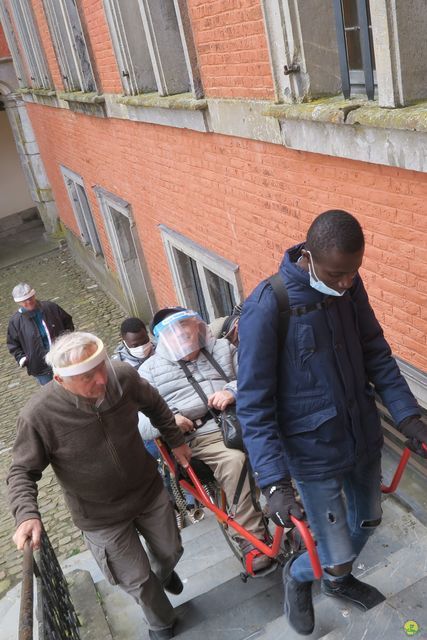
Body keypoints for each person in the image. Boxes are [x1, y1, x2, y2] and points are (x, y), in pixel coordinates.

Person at [237, 210, 427, 635]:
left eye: (354, 272)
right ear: (309, 256)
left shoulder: (349, 287)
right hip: (312, 452)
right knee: (336, 548)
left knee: (368, 522)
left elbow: (376, 352)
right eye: (338, 273)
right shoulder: (268, 306)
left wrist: (410, 417)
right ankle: (301, 575)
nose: (347, 282)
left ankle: (337, 580)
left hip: (361, 435)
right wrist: (275, 483)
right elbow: (253, 404)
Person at [7, 331, 192, 640]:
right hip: (100, 516)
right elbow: (21, 471)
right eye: (87, 377)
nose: (101, 380)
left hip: (147, 491)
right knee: (138, 580)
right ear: (61, 379)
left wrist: (176, 441)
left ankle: (164, 574)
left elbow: (155, 404)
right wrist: (26, 514)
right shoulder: (38, 415)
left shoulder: (121, 376)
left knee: (171, 550)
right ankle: (162, 623)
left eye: (101, 368)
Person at [138, 307, 271, 573]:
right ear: (163, 340)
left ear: (198, 327)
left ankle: (295, 514)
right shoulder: (147, 372)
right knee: (235, 461)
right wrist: (169, 420)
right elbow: (139, 423)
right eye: (177, 334)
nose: (185, 337)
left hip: (243, 419)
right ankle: (251, 536)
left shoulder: (222, 347)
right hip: (201, 436)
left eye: (188, 329)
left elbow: (254, 375)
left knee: (279, 444)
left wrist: (232, 391)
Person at [113, 316, 199, 527]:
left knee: (183, 460)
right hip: (144, 424)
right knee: (158, 470)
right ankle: (170, 508)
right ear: (124, 342)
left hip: (170, 415)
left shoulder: (165, 349)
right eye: (136, 344)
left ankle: (192, 503)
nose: (142, 347)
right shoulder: (117, 367)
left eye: (144, 341)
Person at [6, 282, 74, 385]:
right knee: (51, 392)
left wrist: (67, 341)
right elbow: (13, 344)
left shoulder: (51, 307)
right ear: (19, 303)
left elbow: (67, 322)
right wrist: (23, 358)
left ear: (34, 295)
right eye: (24, 301)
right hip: (40, 365)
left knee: (71, 384)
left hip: (62, 357)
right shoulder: (15, 321)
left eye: (30, 298)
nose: (28, 302)